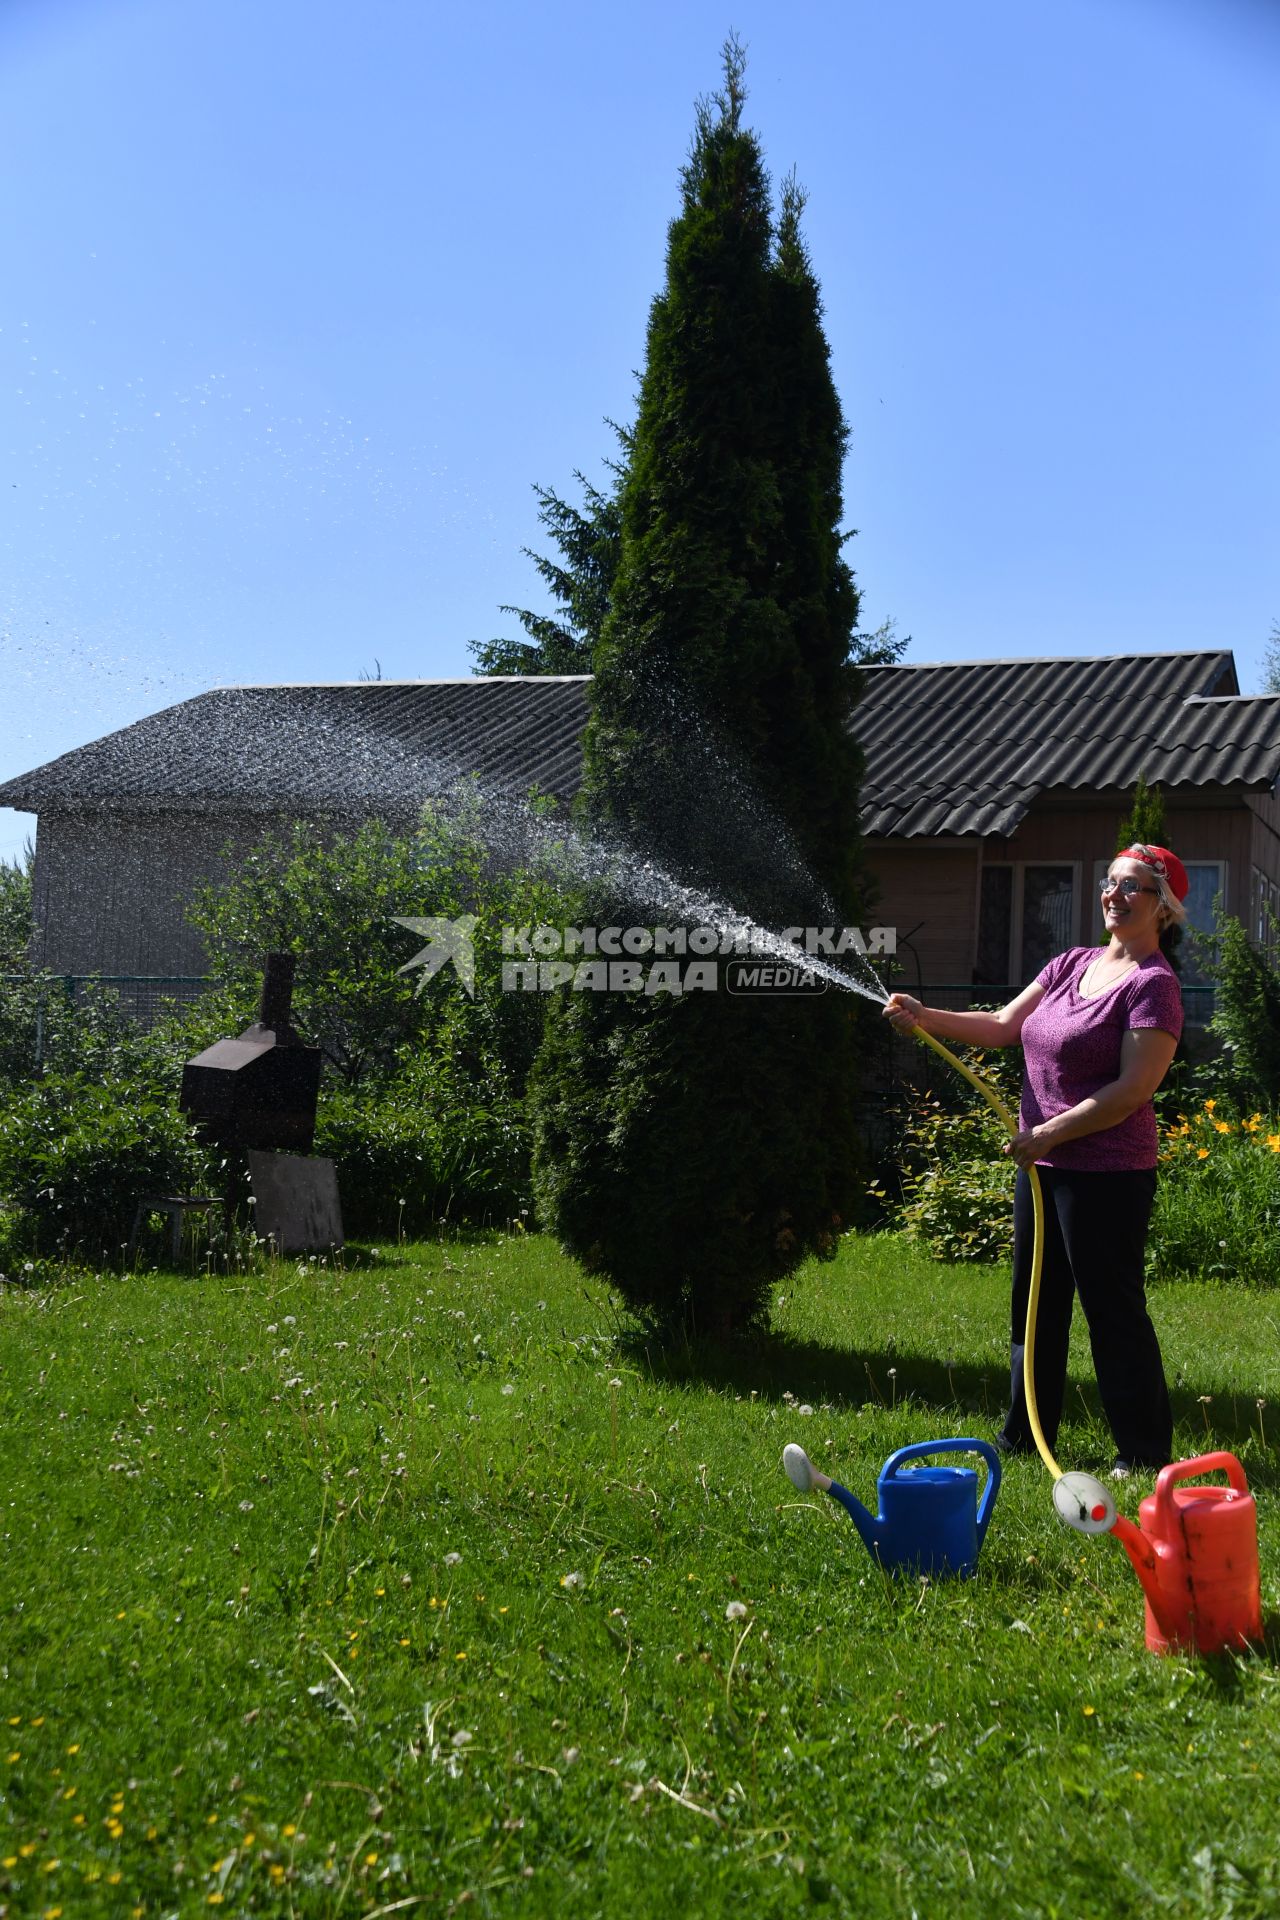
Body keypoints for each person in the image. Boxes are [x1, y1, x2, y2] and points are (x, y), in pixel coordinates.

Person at [883, 844, 1188, 1477]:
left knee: (1111, 1308)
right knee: (1034, 1303)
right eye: (1109, 882)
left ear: (1163, 907)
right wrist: (925, 1016)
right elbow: (1001, 1025)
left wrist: (1050, 1132)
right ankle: (1025, 1434)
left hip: (1107, 1172)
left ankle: (1142, 1450)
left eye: (1132, 886)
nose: (1114, 894)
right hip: (1043, 1165)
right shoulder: (1070, 964)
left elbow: (1133, 1090)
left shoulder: (1153, 986)